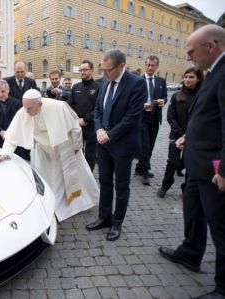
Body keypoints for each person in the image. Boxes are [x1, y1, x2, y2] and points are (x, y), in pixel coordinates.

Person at [158, 24, 225, 299]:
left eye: (190, 51)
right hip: (197, 164)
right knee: (193, 211)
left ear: (211, 46)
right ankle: (191, 252)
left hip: (214, 169)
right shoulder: (213, 72)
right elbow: (208, 118)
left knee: (220, 226)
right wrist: (189, 136)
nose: (188, 58)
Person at [0, 89, 99, 221]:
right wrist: (4, 153)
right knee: (45, 179)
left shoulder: (58, 107)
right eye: (25, 107)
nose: (26, 112)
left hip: (63, 148)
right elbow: (11, 137)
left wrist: (77, 147)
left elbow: (75, 128)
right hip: (42, 150)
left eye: (30, 108)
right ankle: (50, 206)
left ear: (40, 104)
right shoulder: (24, 111)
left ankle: (76, 205)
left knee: (67, 178)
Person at [86, 50, 147, 241]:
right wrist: (98, 130)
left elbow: (132, 118)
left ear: (121, 66)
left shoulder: (137, 83)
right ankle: (104, 217)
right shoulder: (104, 81)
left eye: (108, 70)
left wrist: (109, 135)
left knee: (121, 186)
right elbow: (97, 110)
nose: (104, 74)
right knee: (105, 182)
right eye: (102, 70)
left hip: (122, 145)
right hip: (103, 143)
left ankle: (116, 223)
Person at [156, 67, 203, 198]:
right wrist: (181, 133)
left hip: (194, 136)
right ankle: (165, 186)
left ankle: (186, 188)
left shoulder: (202, 96)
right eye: (186, 77)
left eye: (191, 77)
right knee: (172, 161)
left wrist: (188, 134)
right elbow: (170, 117)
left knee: (189, 163)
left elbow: (201, 118)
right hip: (176, 135)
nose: (188, 80)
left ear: (198, 79)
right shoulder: (177, 96)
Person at [135, 55, 168, 185]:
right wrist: (142, 105)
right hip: (142, 117)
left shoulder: (161, 81)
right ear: (145, 65)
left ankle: (139, 167)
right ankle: (145, 171)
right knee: (144, 145)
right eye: (148, 65)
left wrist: (163, 101)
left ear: (156, 66)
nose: (150, 67)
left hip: (155, 117)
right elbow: (132, 99)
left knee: (151, 145)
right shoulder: (138, 80)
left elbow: (165, 96)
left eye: (152, 65)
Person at [68, 60, 100, 171]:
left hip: (91, 126)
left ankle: (89, 176)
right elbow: (70, 105)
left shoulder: (98, 87)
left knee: (90, 154)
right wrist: (76, 119)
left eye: (85, 70)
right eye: (81, 70)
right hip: (77, 126)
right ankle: (78, 174)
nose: (82, 72)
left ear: (91, 70)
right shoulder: (76, 87)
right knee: (77, 152)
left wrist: (86, 119)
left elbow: (98, 107)